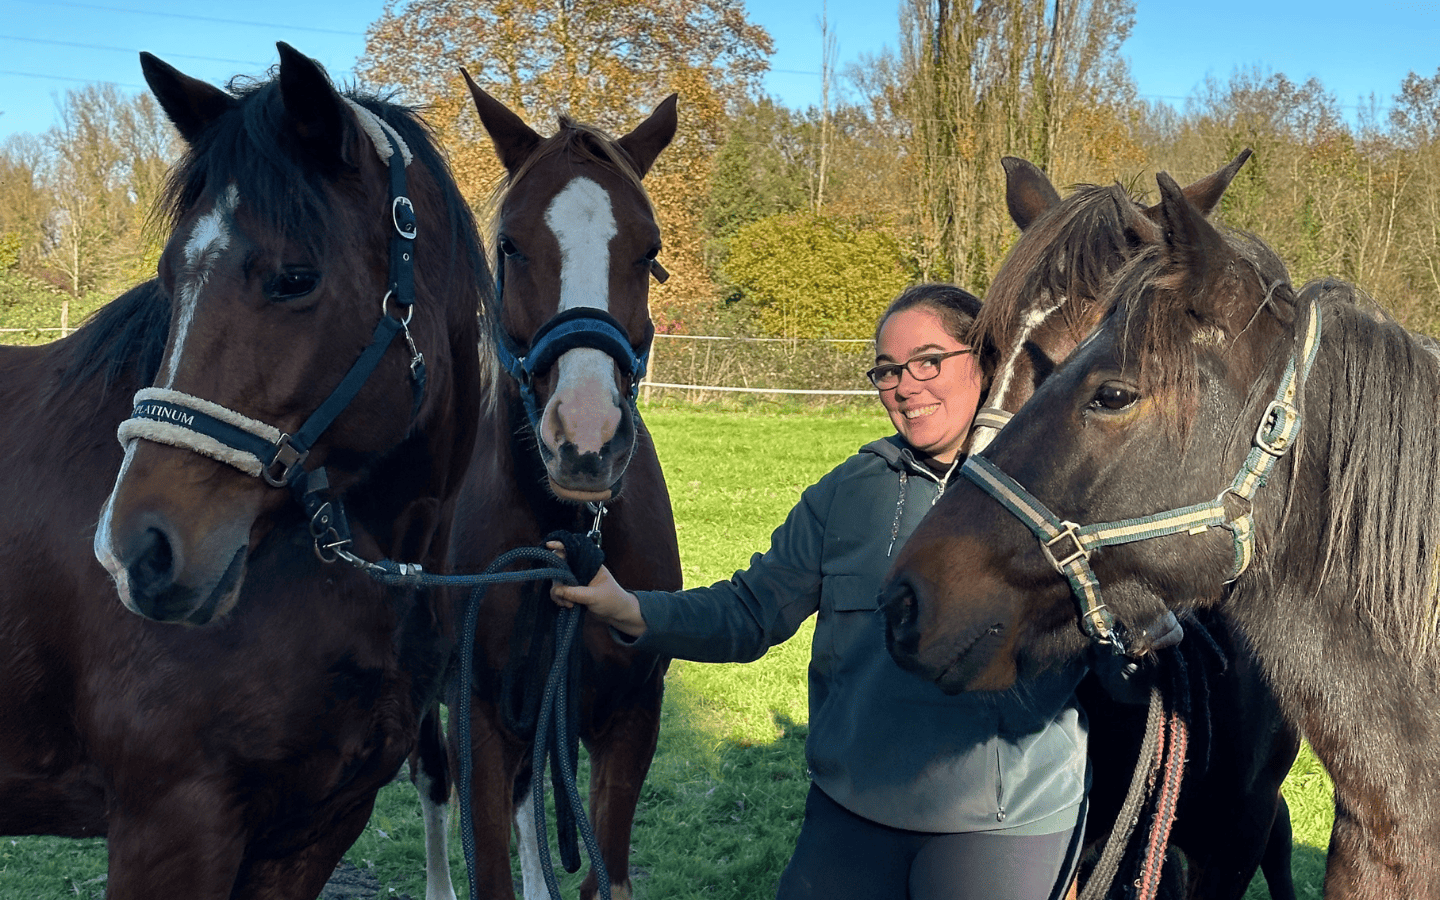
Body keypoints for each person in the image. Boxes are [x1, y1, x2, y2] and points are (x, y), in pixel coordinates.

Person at [551, 283, 1092, 900]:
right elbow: (752, 610)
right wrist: (629, 606)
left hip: (1002, 830)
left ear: (988, 363)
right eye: (887, 370)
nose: (904, 385)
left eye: (927, 361)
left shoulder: (1051, 495)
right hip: (851, 813)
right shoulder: (849, 491)